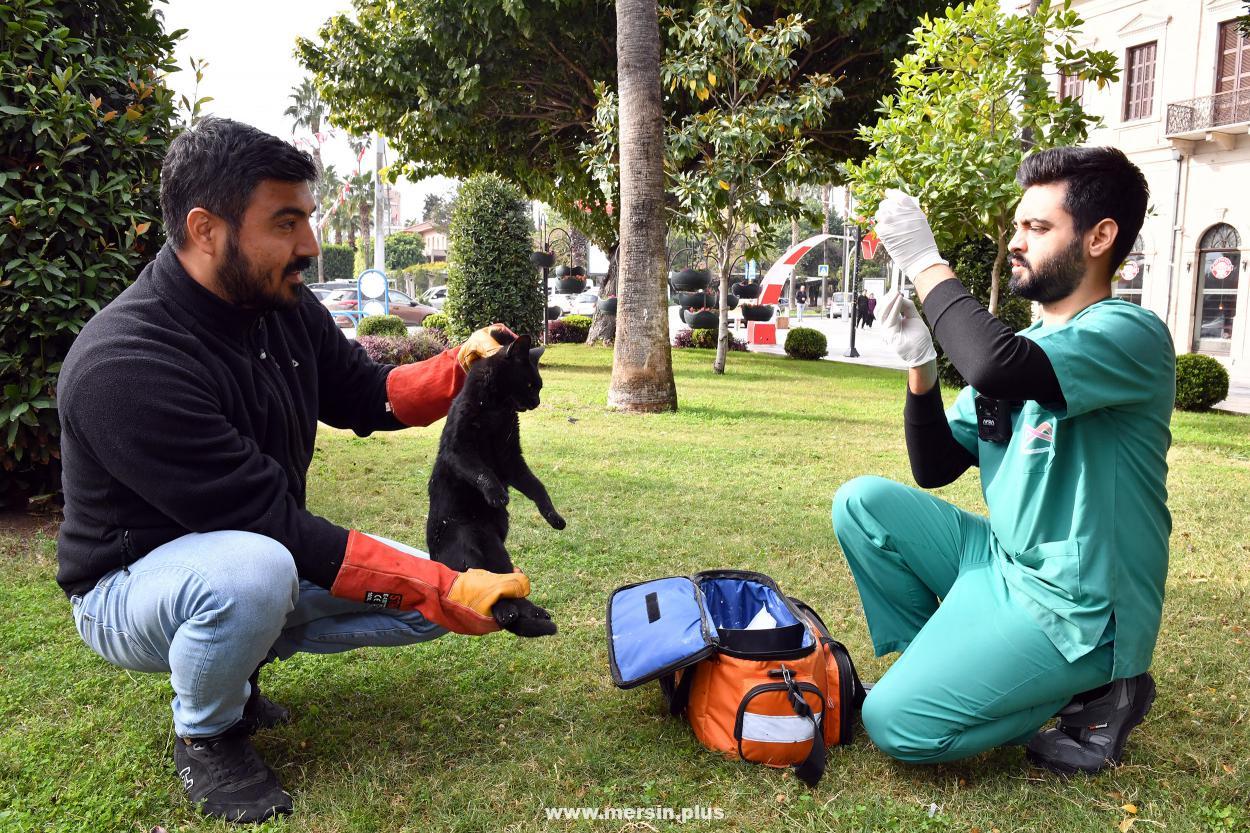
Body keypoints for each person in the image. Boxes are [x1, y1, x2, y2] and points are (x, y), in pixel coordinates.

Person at [56, 117, 535, 824]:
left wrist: (460, 369)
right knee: (259, 575)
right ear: (205, 228)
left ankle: (239, 649)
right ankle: (210, 732)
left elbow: (364, 393)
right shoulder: (125, 364)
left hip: (252, 553)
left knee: (437, 598)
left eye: (306, 219)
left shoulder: (275, 306)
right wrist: (443, 586)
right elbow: (271, 525)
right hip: (127, 589)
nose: (310, 245)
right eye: (286, 223)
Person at [832, 146, 1172, 773]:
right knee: (862, 502)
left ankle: (1093, 691)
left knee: (895, 725)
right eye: (1018, 225)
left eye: (1037, 228)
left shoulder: (1130, 335)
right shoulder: (1029, 346)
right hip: (1001, 562)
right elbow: (934, 466)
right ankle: (946, 665)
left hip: (1077, 602)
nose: (1017, 242)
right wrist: (921, 366)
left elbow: (995, 365)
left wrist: (925, 264)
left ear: (1100, 237)